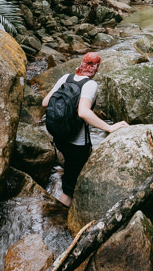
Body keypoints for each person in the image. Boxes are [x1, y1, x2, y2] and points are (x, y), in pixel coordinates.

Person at [41, 51, 129, 206]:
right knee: (69, 190)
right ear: (96, 68)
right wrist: (109, 127)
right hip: (77, 144)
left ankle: (64, 177)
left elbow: (45, 102)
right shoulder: (90, 84)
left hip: (60, 138)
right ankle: (58, 218)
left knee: (68, 167)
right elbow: (83, 112)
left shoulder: (65, 78)